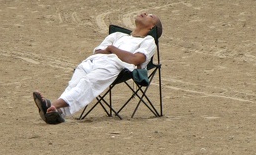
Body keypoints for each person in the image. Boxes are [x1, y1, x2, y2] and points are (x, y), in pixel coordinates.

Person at [33, 12, 162, 124]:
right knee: (74, 83)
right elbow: (98, 52)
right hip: (93, 61)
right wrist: (118, 52)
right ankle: (58, 113)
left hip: (116, 67)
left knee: (87, 82)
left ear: (151, 27)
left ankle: (53, 105)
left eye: (150, 16)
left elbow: (135, 59)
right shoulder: (117, 35)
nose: (145, 13)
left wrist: (111, 49)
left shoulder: (148, 41)